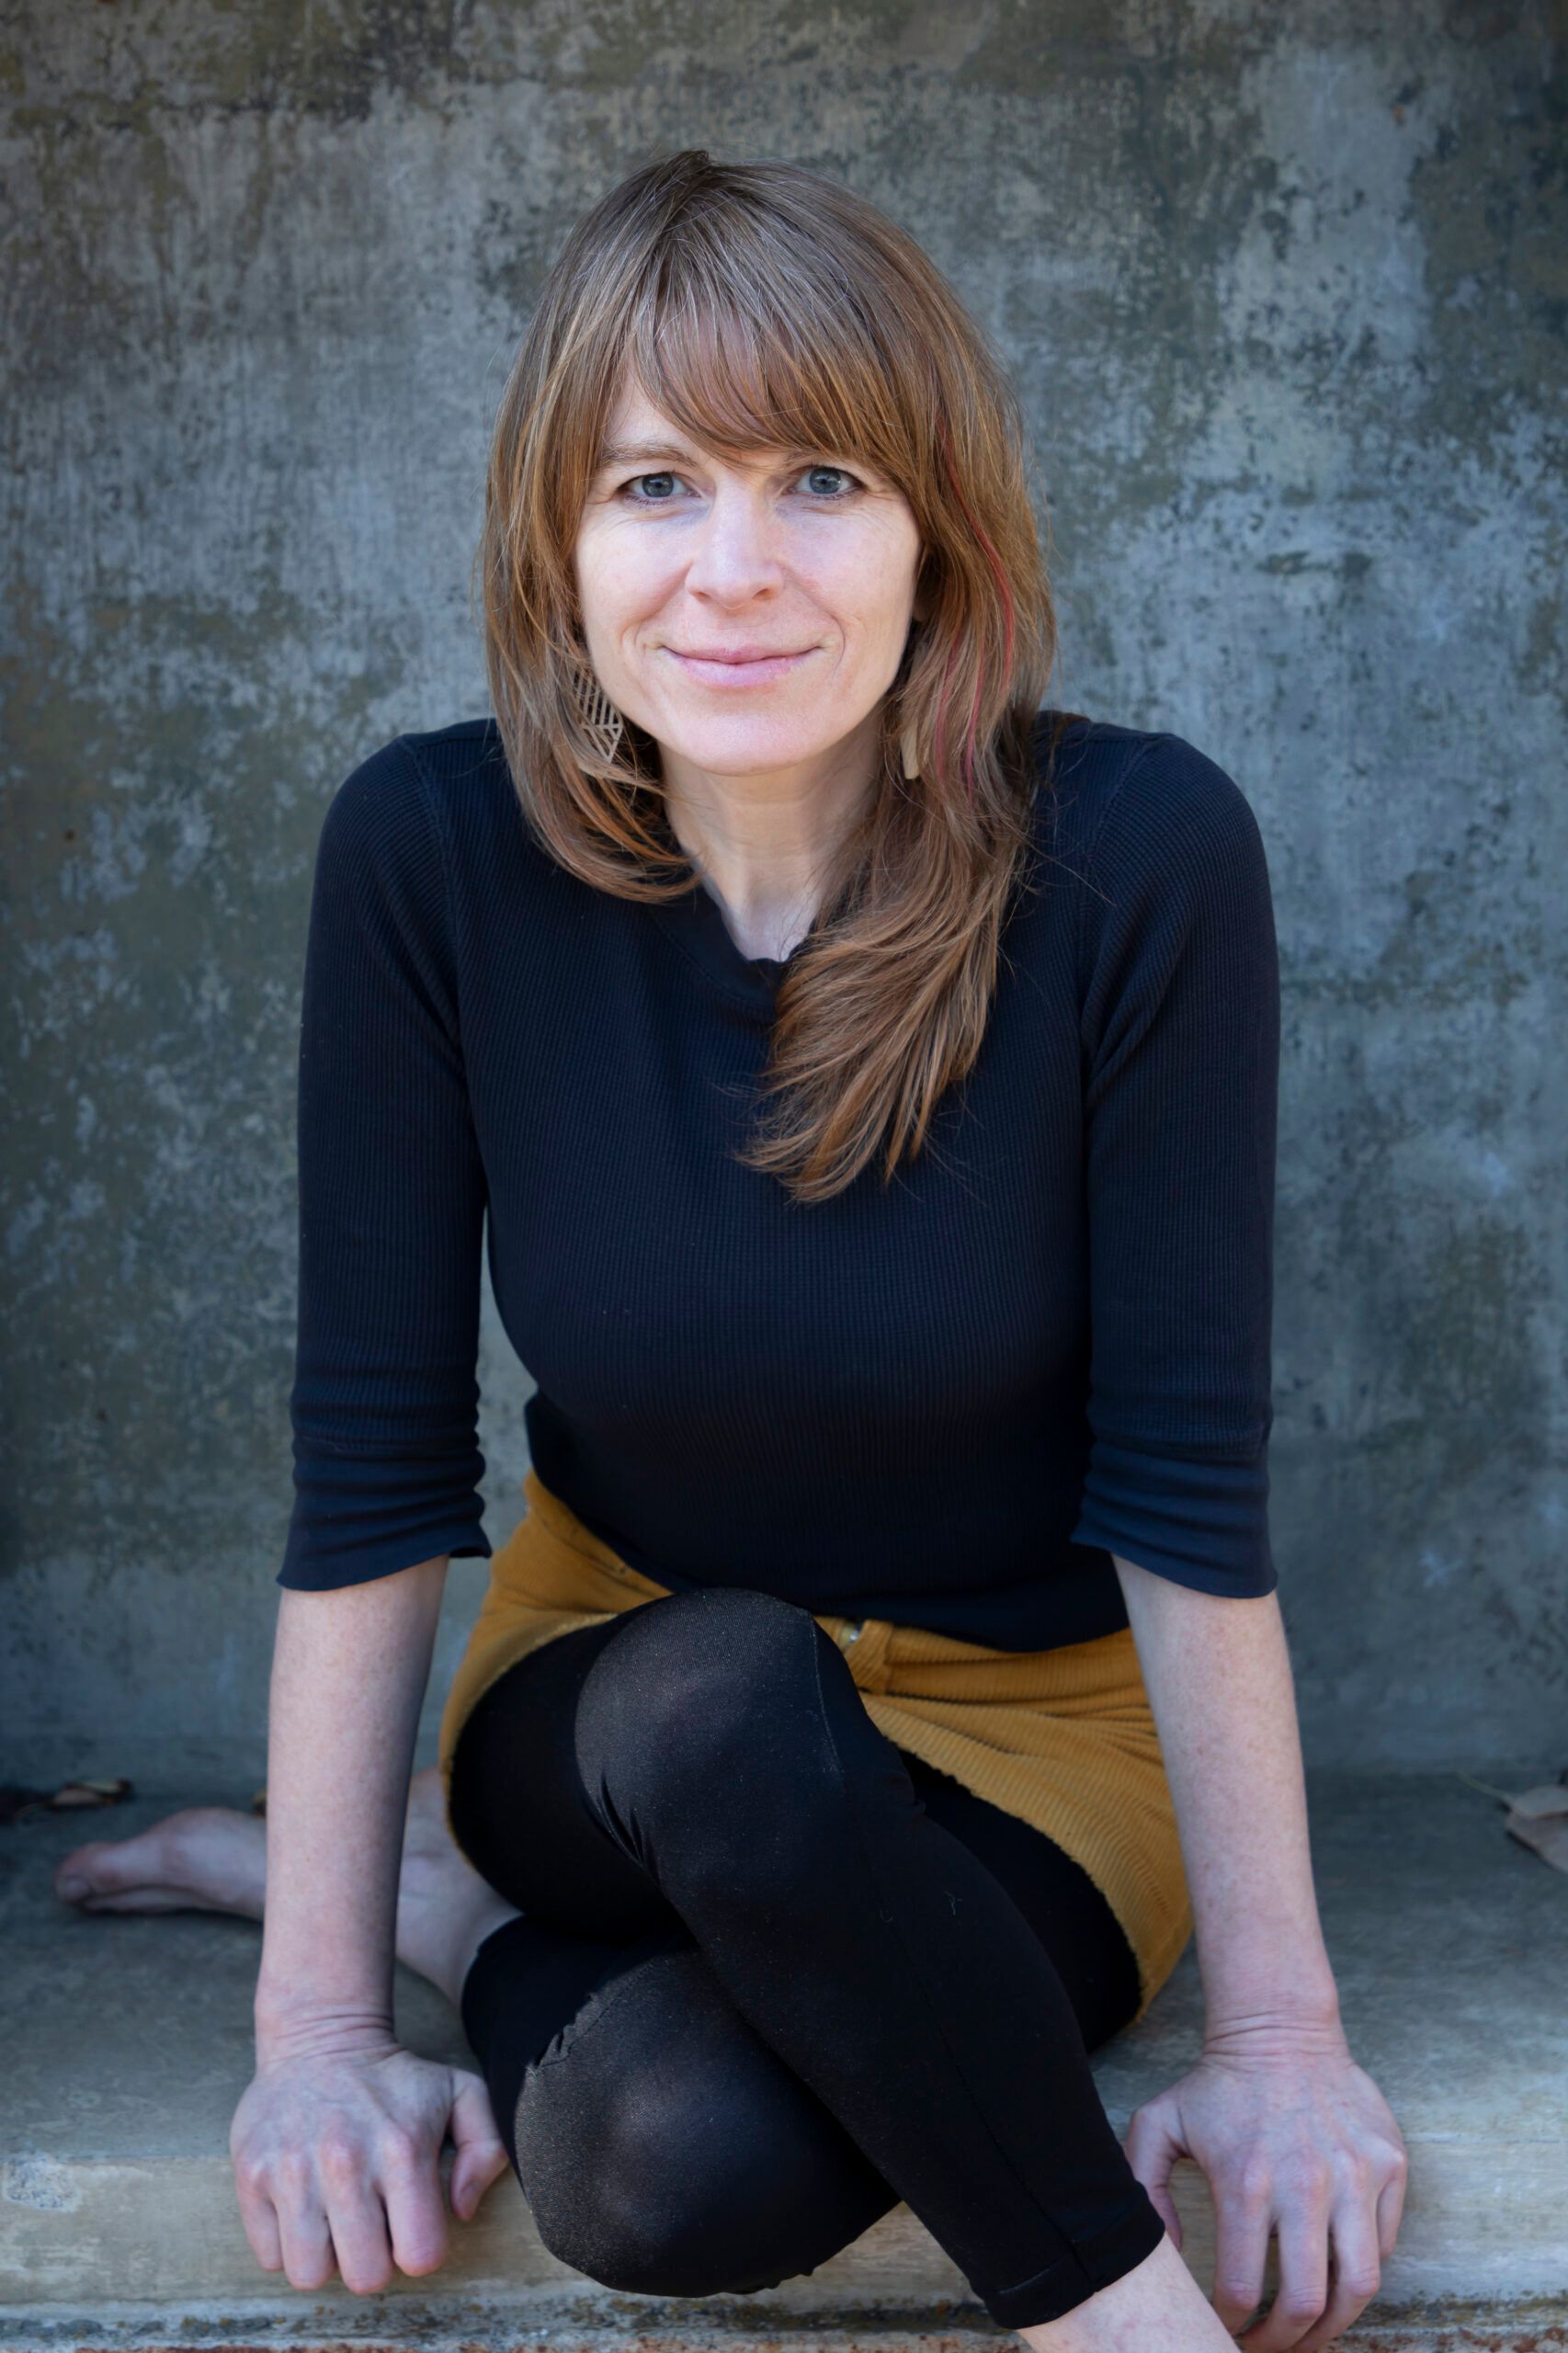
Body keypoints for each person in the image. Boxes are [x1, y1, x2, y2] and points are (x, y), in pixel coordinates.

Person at [54, 150, 1407, 2349]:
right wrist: (307, 2031)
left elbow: (1185, 1493)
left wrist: (1280, 2038)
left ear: (935, 527)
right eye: (657, 484)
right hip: (615, 1706)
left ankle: (448, 1911)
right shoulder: (428, 857)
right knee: (723, 1696)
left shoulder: (1140, 858)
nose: (737, 569)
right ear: (555, 541)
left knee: (676, 2159)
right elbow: (373, 1480)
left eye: (823, 478)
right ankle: (1130, 2330)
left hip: (1037, 1744)